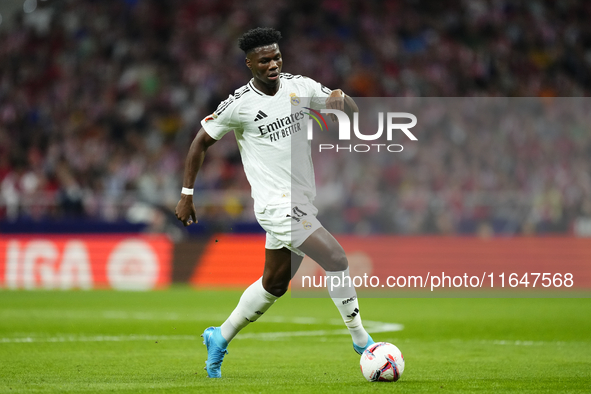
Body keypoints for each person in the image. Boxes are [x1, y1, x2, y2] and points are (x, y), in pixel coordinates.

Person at [175, 27, 373, 378]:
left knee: (275, 284)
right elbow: (199, 143)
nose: (273, 64)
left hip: (302, 202)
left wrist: (344, 98)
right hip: (275, 206)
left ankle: (219, 337)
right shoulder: (239, 105)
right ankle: (362, 342)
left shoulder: (302, 87)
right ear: (249, 63)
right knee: (337, 258)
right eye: (264, 60)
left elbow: (350, 112)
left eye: (276, 57)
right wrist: (187, 195)